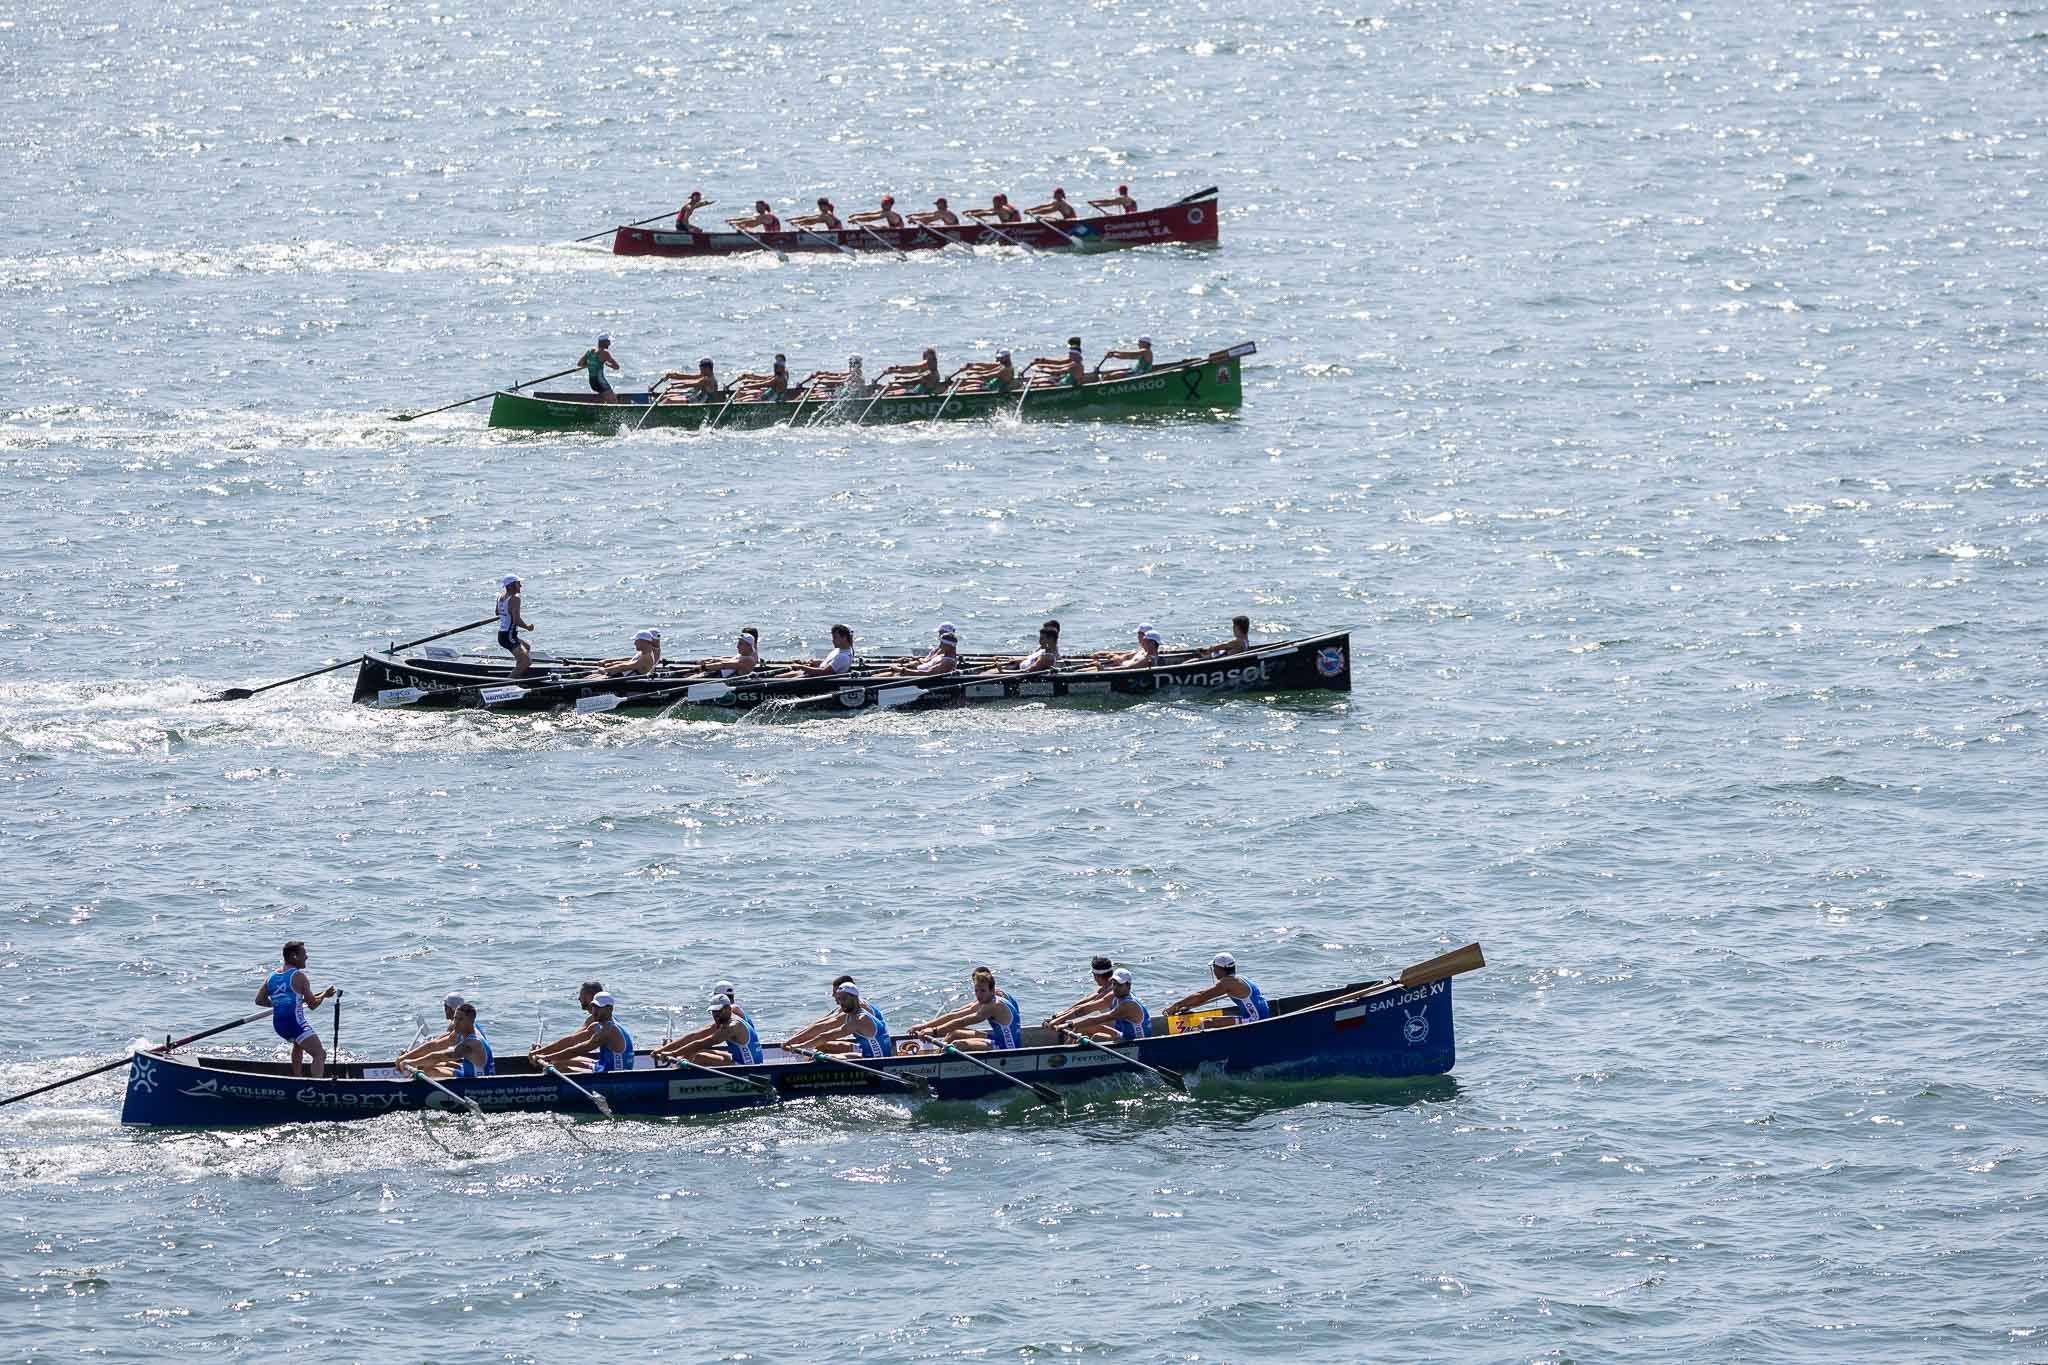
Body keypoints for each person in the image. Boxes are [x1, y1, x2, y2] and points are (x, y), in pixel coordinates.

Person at [256, 940, 335, 1078]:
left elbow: (259, 1000)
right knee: (319, 1054)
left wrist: (279, 1004)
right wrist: (324, 995)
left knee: (298, 1045)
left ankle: (297, 1077)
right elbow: (313, 1005)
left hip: (279, 1025)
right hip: (295, 1023)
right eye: (304, 954)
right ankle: (317, 1085)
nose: (307, 957)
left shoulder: (271, 977)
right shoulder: (299, 977)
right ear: (294, 956)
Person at [907, 967, 1023, 1053]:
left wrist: (934, 1031)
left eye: (982, 990)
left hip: (1007, 1048)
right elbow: (956, 1015)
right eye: (976, 990)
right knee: (954, 1033)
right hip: (997, 1038)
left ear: (992, 990)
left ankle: (933, 1066)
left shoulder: (993, 1005)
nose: (979, 995)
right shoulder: (987, 998)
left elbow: (963, 1021)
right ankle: (934, 1058)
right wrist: (924, 1026)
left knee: (958, 1044)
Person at [530, 983, 634, 1073]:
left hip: (615, 1075)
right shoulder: (597, 1025)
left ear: (610, 1009)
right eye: (594, 1006)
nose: (595, 1011)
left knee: (560, 1067)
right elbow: (571, 1040)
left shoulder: (609, 1030)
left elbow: (578, 1050)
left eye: (599, 1008)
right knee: (557, 1062)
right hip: (602, 1065)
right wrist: (540, 1052)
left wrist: (545, 1057)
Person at [1162, 953, 1272, 1028]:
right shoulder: (1241, 979)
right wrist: (1187, 1005)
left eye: (1214, 967)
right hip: (1261, 1018)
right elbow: (1202, 998)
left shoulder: (1227, 983)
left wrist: (1176, 1006)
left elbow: (1201, 996)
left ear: (1219, 969)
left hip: (1255, 1021)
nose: (1214, 971)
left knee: (1206, 1023)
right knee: (1208, 1021)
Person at [654, 994, 763, 1067]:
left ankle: (677, 1079)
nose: (716, 1015)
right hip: (737, 1059)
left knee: (700, 1057)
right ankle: (677, 1069)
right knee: (693, 1052)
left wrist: (673, 1053)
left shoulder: (732, 1026)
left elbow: (702, 1043)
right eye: (713, 1011)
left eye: (718, 1011)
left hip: (748, 1067)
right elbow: (694, 1036)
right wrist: (662, 1050)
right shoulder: (724, 1020)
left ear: (728, 1009)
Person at [396, 990, 485, 1073]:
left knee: (427, 1070)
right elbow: (435, 1044)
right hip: (470, 1065)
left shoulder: (468, 1038)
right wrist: (410, 1056)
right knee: (427, 1065)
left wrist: (408, 1060)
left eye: (445, 1007)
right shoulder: (466, 1027)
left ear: (452, 1009)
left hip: (477, 1077)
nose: (444, 1009)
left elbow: (435, 1051)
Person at [406, 1002, 493, 1080]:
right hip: (467, 1074)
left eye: (461, 1019)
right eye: (455, 1018)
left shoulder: (471, 1044)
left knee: (428, 1072)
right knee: (435, 1066)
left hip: (478, 1084)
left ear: (471, 1021)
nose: (456, 1023)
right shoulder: (468, 1033)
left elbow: (438, 1057)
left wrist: (411, 1062)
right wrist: (415, 1061)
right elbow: (436, 1046)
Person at [1062, 967, 1150, 1043]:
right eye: (1114, 984)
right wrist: (1061, 1020)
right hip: (1124, 1034)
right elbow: (1086, 1008)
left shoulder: (1128, 1005)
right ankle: (1068, 1051)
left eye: (1119, 985)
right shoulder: (1116, 995)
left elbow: (1097, 1020)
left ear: (1128, 985)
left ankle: (1070, 1055)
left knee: (1097, 1037)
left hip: (1137, 1041)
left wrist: (1069, 1024)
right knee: (1080, 1028)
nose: (1115, 988)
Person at [811, 981, 893, 1058]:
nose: (841, 1002)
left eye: (844, 998)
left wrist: (803, 1047)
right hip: (864, 1050)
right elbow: (822, 1029)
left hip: (876, 1058)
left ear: (854, 998)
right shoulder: (851, 1013)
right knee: (822, 1046)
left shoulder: (860, 1019)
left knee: (826, 1057)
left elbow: (827, 1036)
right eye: (839, 998)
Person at [782, 975, 860, 1050]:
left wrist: (795, 1042)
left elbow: (824, 1027)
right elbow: (819, 1023)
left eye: (835, 992)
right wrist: (795, 1038)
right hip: (860, 1045)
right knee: (817, 1043)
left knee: (820, 1045)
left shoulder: (856, 1010)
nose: (833, 995)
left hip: (864, 1050)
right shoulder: (847, 1007)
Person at [1046, 957, 1118, 1028]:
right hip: (1109, 1026)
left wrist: (1059, 1020)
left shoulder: (1112, 993)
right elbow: (1082, 1003)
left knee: (1078, 1028)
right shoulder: (1104, 988)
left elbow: (1085, 1009)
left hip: (1118, 1030)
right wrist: (1059, 1016)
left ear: (1097, 976)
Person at [496, 575, 534, 677]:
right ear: (511, 586)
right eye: (518, 584)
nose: (521, 586)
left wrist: (506, 613)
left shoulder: (500, 597)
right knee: (526, 661)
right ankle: (509, 682)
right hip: (509, 636)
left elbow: (497, 613)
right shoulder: (515, 599)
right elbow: (516, 620)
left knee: (527, 647)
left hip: (503, 634)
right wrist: (527, 627)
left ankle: (519, 672)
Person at [1022, 336, 1087, 390]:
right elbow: (1059, 365)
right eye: (1069, 354)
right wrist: (1043, 362)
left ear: (1075, 355)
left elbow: (1058, 370)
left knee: (1039, 384)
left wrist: (1041, 370)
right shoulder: (1075, 361)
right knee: (1038, 381)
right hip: (1063, 379)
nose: (1069, 355)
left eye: (1071, 354)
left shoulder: (1075, 364)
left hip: (1063, 384)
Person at [791, 623, 856, 676]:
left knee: (789, 675)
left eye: (835, 637)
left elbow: (823, 672)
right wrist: (820, 662)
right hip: (812, 674)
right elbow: (833, 663)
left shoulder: (843, 656)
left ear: (844, 637)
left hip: (815, 679)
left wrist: (801, 667)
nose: (833, 640)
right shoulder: (839, 650)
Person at [595, 629, 662, 677]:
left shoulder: (647, 657)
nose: (634, 643)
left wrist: (606, 670)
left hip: (625, 679)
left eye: (636, 641)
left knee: (594, 677)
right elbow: (630, 662)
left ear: (644, 642)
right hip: (623, 675)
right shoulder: (645, 653)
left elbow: (625, 667)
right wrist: (611, 663)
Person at [1095, 624, 1162, 670]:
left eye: (1145, 640)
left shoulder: (1148, 659)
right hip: (1118, 666)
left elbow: (1128, 668)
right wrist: (1118, 658)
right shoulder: (1142, 652)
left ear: (1152, 643)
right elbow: (1127, 656)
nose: (1142, 641)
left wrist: (1104, 669)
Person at [579, 335, 622, 403]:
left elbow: (580, 364)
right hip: (600, 382)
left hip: (592, 382)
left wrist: (590, 364)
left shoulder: (590, 351)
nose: (610, 344)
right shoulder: (605, 353)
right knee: (613, 400)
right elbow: (617, 367)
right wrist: (608, 365)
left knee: (605, 399)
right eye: (608, 342)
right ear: (604, 342)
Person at [949, 351, 1014, 394]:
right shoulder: (1003, 365)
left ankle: (950, 393)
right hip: (989, 385)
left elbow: (987, 376)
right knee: (964, 384)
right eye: (999, 357)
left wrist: (975, 375)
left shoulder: (1006, 369)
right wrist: (973, 366)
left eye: (1001, 358)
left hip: (992, 389)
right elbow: (987, 369)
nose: (999, 359)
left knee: (963, 390)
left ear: (1007, 357)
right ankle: (950, 390)